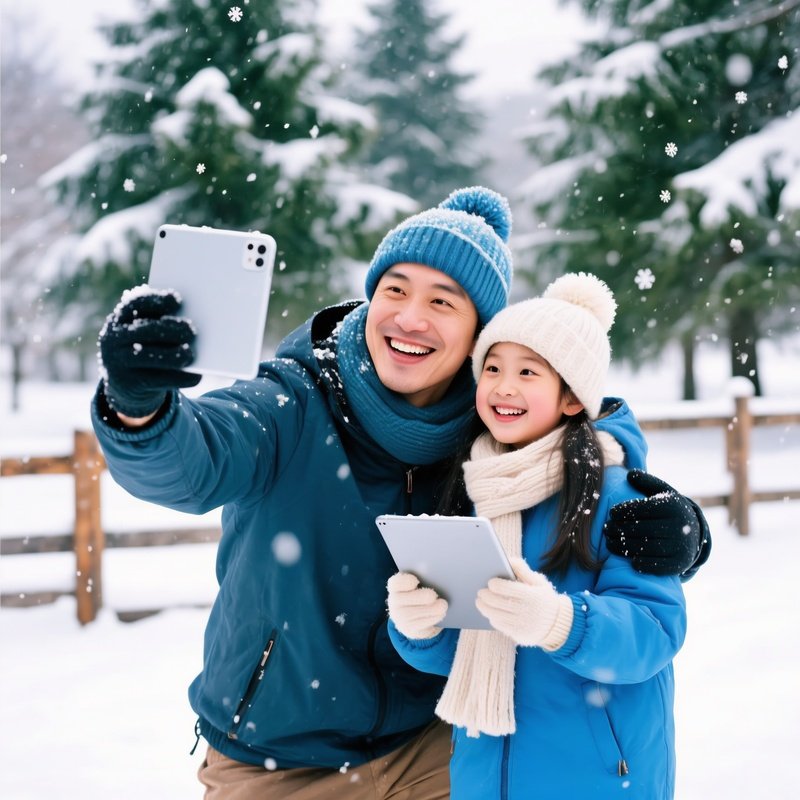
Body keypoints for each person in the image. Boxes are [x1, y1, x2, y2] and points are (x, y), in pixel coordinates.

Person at [91, 187, 708, 799]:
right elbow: (188, 462)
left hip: (437, 744)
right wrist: (138, 407)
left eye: (443, 301)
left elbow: (581, 433)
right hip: (280, 760)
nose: (410, 318)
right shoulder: (290, 403)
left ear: (477, 336)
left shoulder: (490, 423)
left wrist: (680, 527)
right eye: (395, 290)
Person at [386, 272, 687, 799]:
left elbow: (655, 632)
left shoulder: (616, 495)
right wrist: (421, 629)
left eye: (529, 372)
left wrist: (559, 622)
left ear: (571, 398)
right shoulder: (474, 487)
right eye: (494, 368)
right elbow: (470, 651)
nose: (504, 386)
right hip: (485, 777)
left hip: (594, 779)